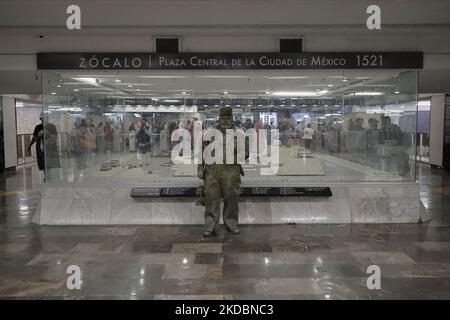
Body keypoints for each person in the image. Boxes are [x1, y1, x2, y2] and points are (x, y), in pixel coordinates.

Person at [199, 107, 248, 237]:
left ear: (232, 119)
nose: (225, 120)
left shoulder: (239, 135)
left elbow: (247, 152)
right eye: (223, 118)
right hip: (212, 172)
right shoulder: (209, 134)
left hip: (231, 172)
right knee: (211, 199)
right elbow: (202, 152)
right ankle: (210, 225)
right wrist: (200, 170)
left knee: (231, 199)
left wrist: (234, 159)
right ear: (219, 118)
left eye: (228, 118)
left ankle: (231, 223)